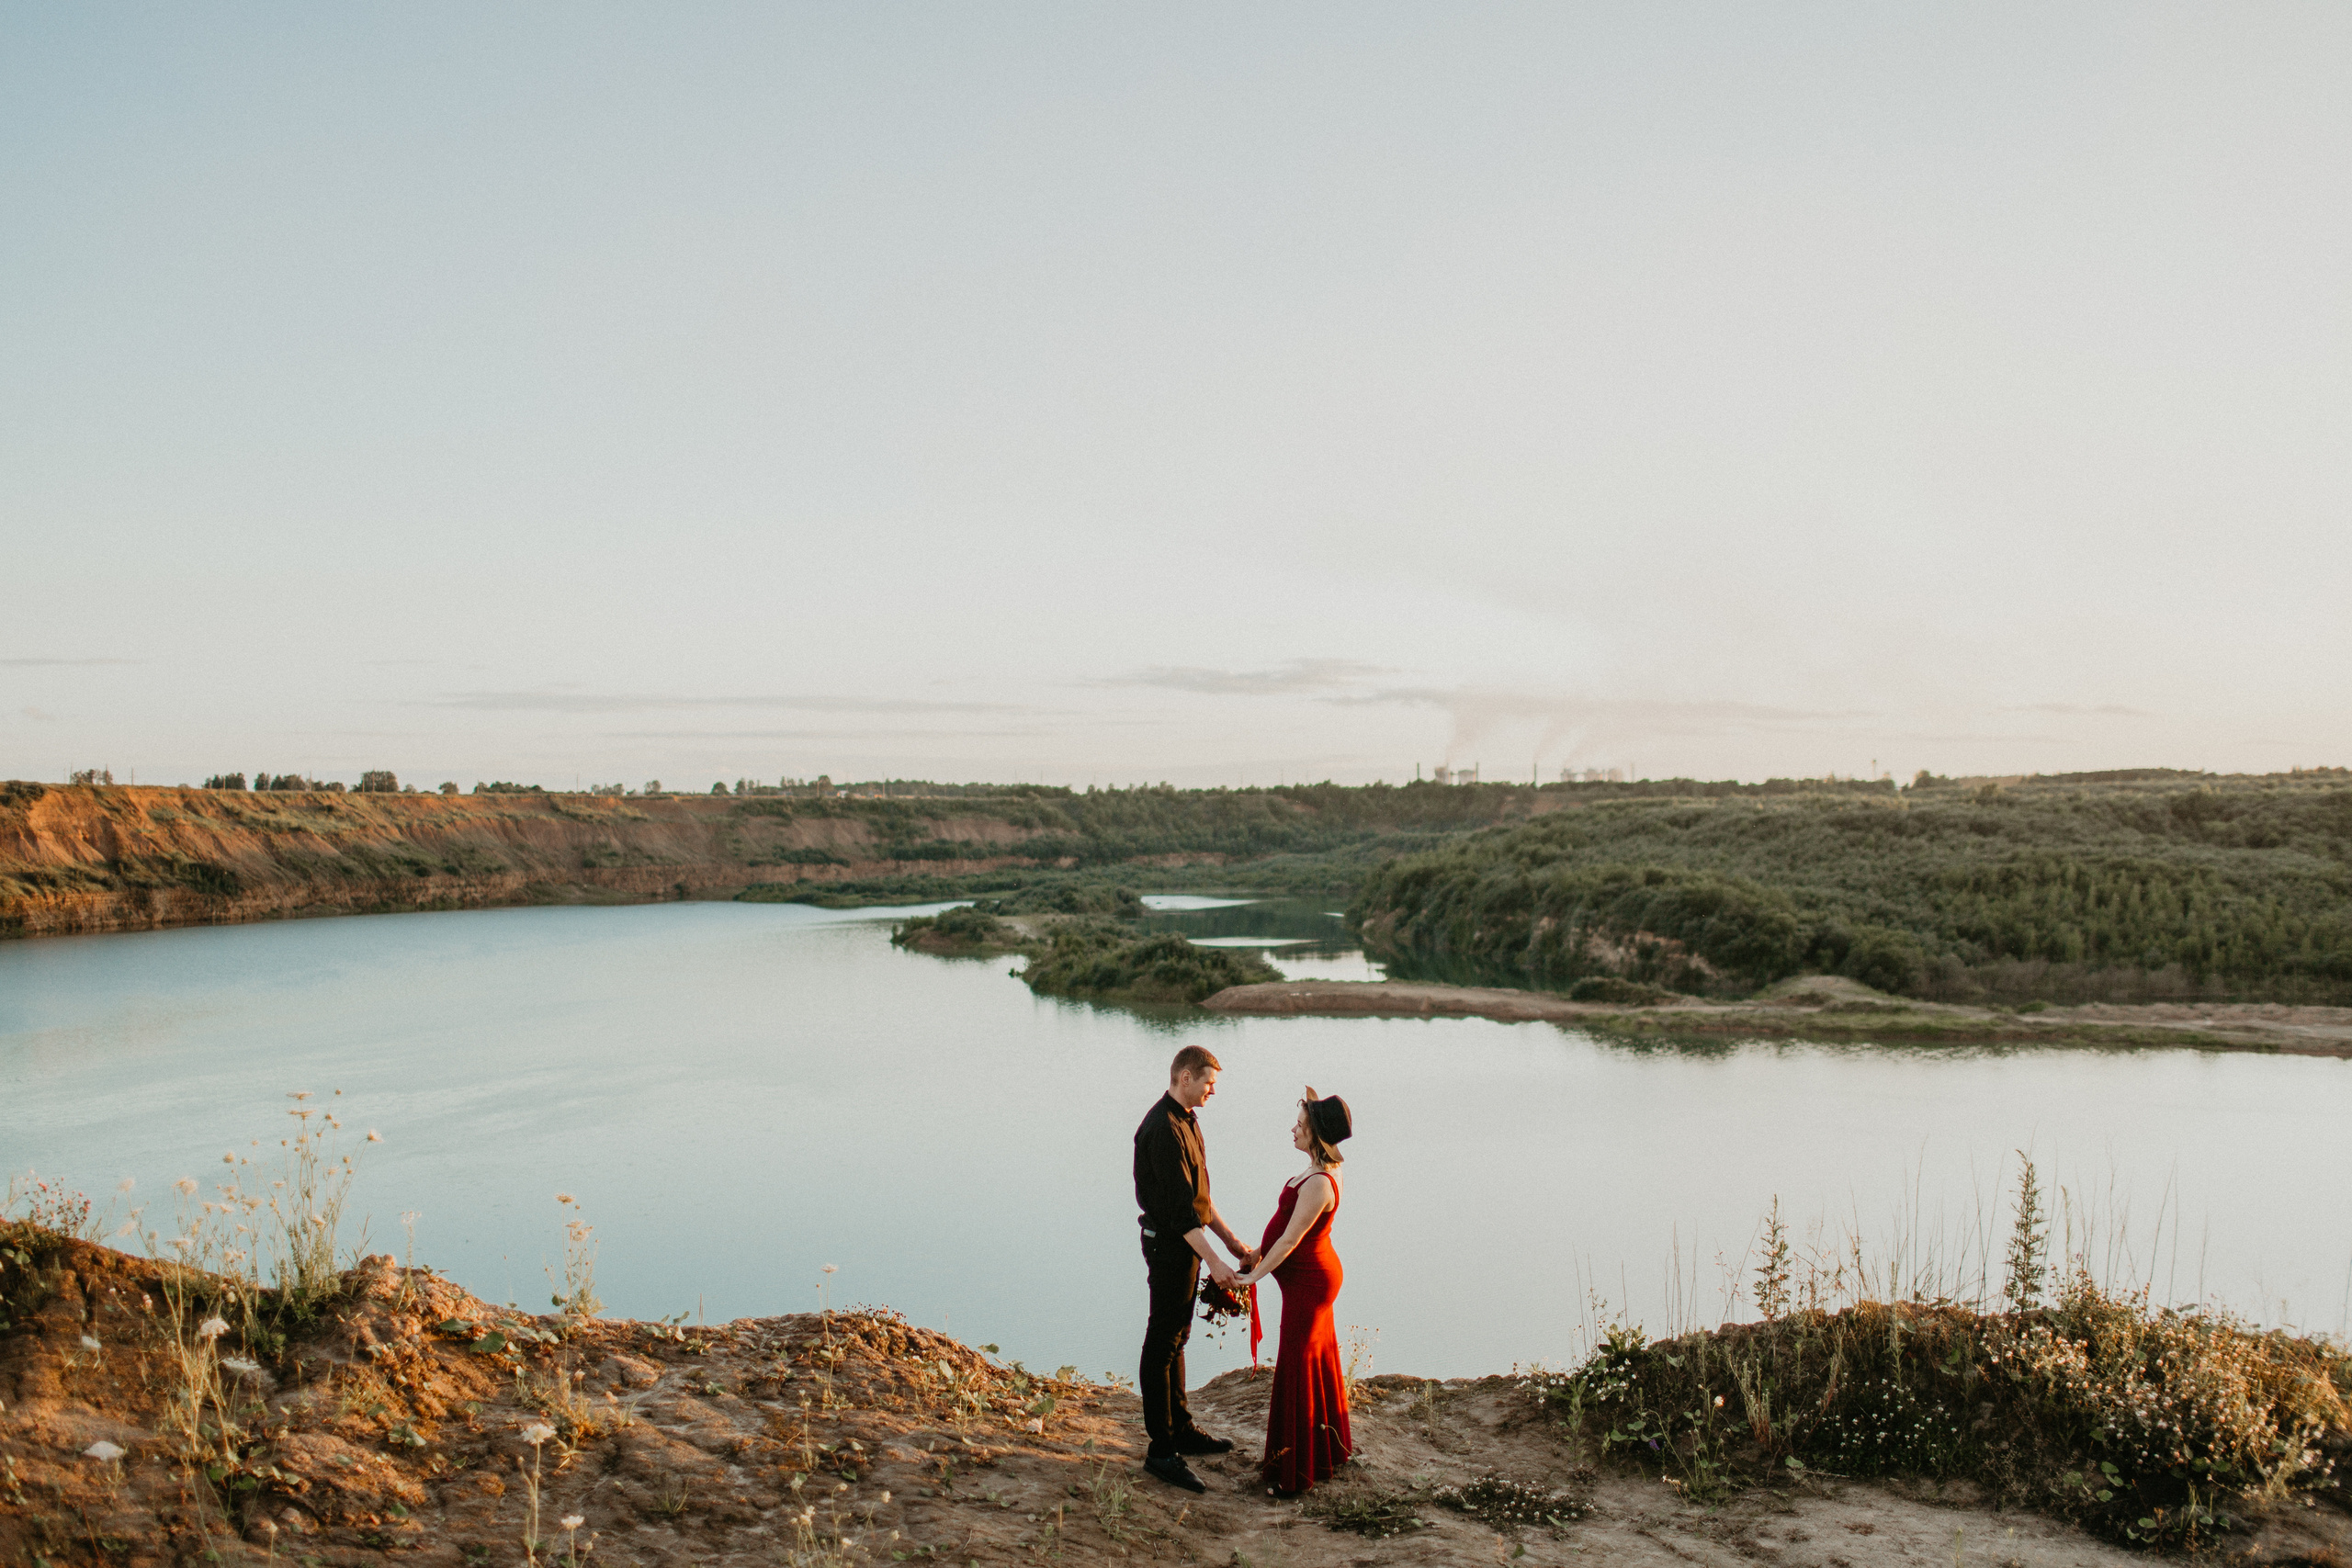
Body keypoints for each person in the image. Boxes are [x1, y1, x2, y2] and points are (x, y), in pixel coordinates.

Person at [1132, 1044, 1259, 1494]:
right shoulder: (1162, 1129)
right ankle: (1161, 1451)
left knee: (1178, 1337)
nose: (1212, 1091)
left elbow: (1200, 1200)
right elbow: (1181, 1215)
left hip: (1186, 1242)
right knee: (1163, 1339)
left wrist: (1231, 1242)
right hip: (1168, 1246)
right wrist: (1217, 1263)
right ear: (1185, 1076)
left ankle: (1181, 1428)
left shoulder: (1188, 1121)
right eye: (1208, 1083)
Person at [1235, 1085, 1353, 1498]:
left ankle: (1298, 1473)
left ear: (1317, 1135)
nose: (1293, 1129)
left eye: (1300, 1125)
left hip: (1311, 1283)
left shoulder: (1321, 1182)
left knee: (1298, 1366)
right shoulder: (1312, 1170)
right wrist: (1254, 1254)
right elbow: (1280, 1236)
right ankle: (1323, 1453)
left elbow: (1290, 1241)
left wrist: (1255, 1277)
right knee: (1312, 1362)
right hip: (1306, 1277)